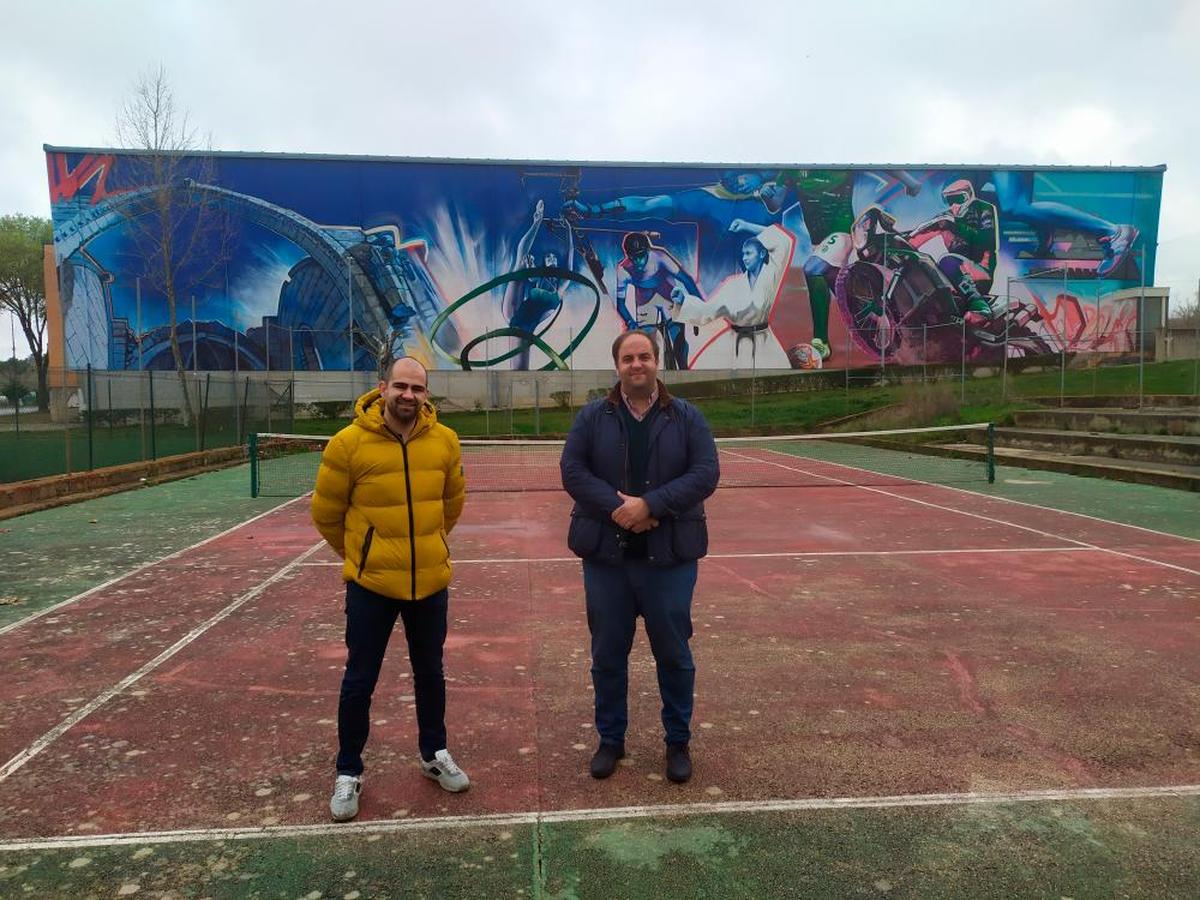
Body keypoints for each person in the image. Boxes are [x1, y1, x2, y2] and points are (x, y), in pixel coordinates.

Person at [311, 356, 469, 822]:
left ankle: (434, 753)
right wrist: (363, 557)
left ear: (426, 394)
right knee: (359, 679)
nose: (408, 396)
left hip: (430, 585)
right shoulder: (346, 445)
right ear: (382, 388)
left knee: (431, 673)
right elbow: (326, 514)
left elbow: (452, 503)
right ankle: (348, 771)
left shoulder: (445, 441)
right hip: (371, 587)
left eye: (417, 389)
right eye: (400, 386)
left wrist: (432, 545)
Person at [559, 330, 720, 783]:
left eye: (644, 356)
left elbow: (706, 473)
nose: (637, 365)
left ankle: (677, 743)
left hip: (670, 559)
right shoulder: (593, 417)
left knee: (674, 654)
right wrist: (621, 509)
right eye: (628, 358)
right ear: (617, 366)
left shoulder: (687, 417)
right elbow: (572, 471)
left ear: (656, 363)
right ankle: (611, 740)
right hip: (606, 559)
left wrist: (651, 506)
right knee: (607, 655)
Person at [669, 220, 796, 369]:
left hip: (764, 340)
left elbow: (782, 241)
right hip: (735, 342)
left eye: (749, 253)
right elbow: (708, 310)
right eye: (743, 254)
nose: (744, 258)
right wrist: (683, 300)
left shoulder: (771, 273)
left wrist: (747, 226)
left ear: (762, 254)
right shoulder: (733, 286)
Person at [614, 231, 702, 370]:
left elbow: (687, 280)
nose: (638, 262)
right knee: (647, 346)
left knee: (677, 339)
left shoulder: (660, 257)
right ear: (628, 256)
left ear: (647, 251)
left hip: (667, 295)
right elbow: (620, 304)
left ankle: (684, 369)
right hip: (645, 302)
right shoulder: (623, 269)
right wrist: (630, 322)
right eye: (633, 258)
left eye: (641, 256)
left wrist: (697, 308)